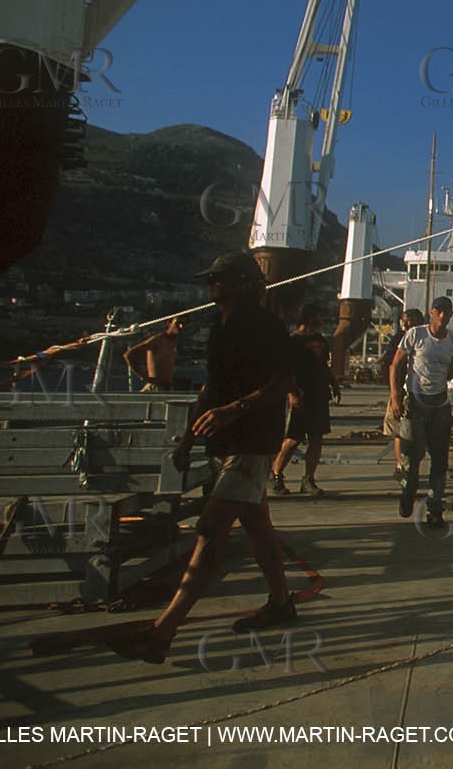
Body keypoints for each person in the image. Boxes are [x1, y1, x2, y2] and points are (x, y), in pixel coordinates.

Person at [106, 252, 297, 664]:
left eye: (219, 280)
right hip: (223, 444)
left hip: (252, 443)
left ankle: (162, 633)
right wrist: (188, 437)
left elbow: (283, 383)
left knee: (210, 529)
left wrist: (235, 410)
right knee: (257, 525)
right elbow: (212, 388)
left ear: (243, 283)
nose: (211, 287)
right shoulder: (220, 331)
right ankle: (281, 602)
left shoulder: (266, 327)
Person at [389, 297, 453, 526]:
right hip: (415, 403)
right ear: (432, 312)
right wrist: (395, 397)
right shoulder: (416, 335)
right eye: (439, 311)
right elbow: (395, 365)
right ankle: (408, 491)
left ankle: (435, 510)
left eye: (447, 312)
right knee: (412, 457)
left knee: (440, 459)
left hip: (440, 406)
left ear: (451, 315)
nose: (443, 316)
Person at [270, 303, 340, 496]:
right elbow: (286, 370)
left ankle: (308, 479)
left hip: (319, 394)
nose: (322, 319)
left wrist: (333, 384)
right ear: (309, 317)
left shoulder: (320, 339)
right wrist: (292, 394)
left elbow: (323, 365)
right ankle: (276, 474)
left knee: (316, 438)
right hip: (300, 395)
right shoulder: (292, 341)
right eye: (318, 315)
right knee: (293, 439)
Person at [381, 309, 425, 469]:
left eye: (410, 320)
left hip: (422, 393)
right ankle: (401, 466)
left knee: (419, 433)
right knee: (399, 431)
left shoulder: (425, 339)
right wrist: (394, 393)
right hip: (401, 391)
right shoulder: (398, 340)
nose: (405, 324)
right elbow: (391, 365)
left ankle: (410, 465)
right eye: (404, 320)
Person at [123, 317, 184, 391]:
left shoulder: (173, 342)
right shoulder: (158, 340)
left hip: (167, 388)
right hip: (156, 388)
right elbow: (129, 355)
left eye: (183, 324)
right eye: (177, 323)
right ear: (169, 323)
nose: (181, 326)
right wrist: (143, 376)